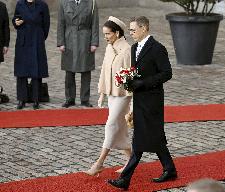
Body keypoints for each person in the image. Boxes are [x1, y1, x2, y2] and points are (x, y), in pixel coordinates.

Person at [107, 16, 177, 190]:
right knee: (155, 137)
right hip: (139, 99)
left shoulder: (157, 49)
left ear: (144, 28)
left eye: (133, 30)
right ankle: (170, 169)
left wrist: (144, 83)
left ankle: (125, 179)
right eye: (129, 30)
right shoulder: (134, 48)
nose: (130, 33)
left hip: (152, 100)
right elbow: (136, 72)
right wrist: (129, 82)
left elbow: (167, 73)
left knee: (139, 141)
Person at [84, 16, 132, 176]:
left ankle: (99, 163)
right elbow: (104, 71)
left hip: (124, 95)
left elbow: (131, 77)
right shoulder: (109, 48)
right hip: (112, 94)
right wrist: (102, 93)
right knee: (120, 128)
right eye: (104, 34)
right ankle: (132, 160)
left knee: (111, 125)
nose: (105, 37)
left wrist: (133, 104)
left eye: (108, 34)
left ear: (117, 33)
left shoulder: (127, 50)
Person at [57, 0, 99, 108]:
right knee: (69, 71)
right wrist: (61, 42)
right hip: (69, 39)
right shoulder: (64, 3)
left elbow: (95, 24)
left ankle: (85, 99)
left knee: (86, 71)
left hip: (85, 40)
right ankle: (69, 99)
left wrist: (94, 43)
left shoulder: (91, 3)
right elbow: (61, 24)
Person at [12, 0, 50, 110]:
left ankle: (36, 99)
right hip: (23, 42)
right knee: (21, 72)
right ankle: (21, 99)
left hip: (36, 41)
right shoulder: (20, 4)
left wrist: (40, 38)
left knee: (36, 72)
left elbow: (46, 25)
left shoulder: (42, 5)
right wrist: (16, 22)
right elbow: (15, 19)